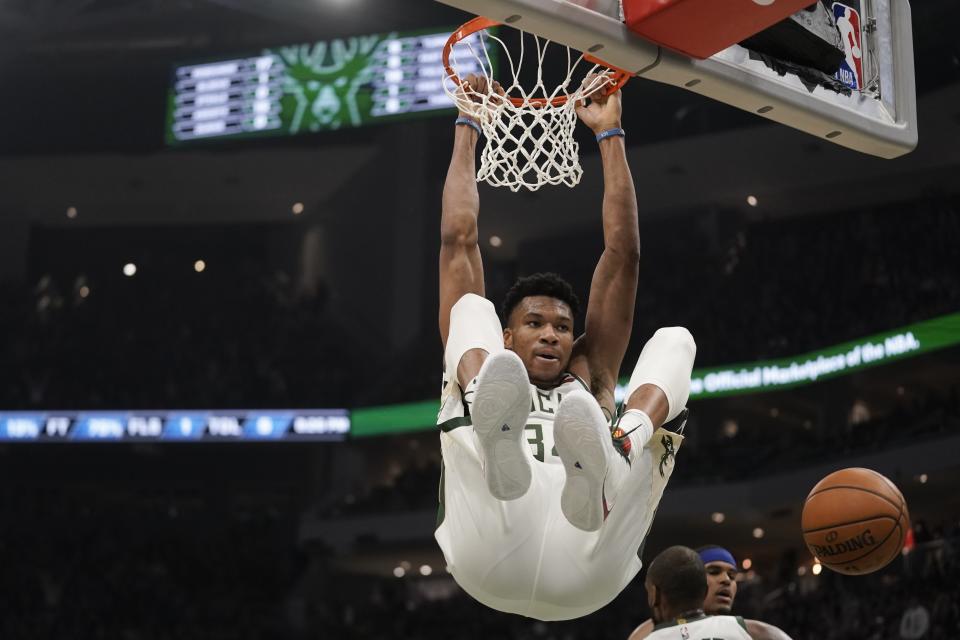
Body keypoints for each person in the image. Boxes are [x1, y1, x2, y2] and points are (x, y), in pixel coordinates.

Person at [433, 73, 697, 621]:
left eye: (561, 325)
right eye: (535, 323)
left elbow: (623, 256)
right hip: (491, 543)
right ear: (509, 337)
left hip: (589, 555)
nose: (552, 333)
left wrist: (610, 134)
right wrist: (467, 125)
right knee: (469, 308)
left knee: (677, 341)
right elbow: (458, 239)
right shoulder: (485, 344)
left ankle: (615, 450)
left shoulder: (589, 373)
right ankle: (501, 433)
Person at [635, 546, 794, 640]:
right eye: (713, 571)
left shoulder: (752, 630)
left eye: (732, 576)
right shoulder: (647, 631)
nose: (726, 580)